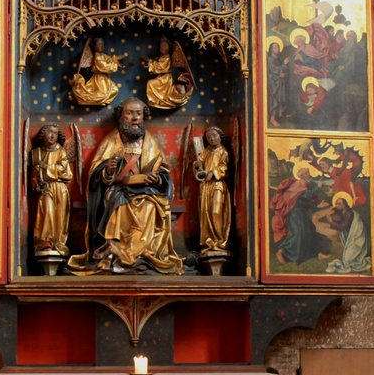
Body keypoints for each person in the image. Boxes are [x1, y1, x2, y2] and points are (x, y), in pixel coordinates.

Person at [67, 97, 183, 274]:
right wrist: (108, 171)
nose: (135, 118)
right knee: (120, 205)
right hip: (117, 189)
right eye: (130, 114)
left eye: (139, 114)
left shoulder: (151, 142)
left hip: (146, 191)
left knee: (150, 206)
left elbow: (163, 171)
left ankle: (142, 254)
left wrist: (157, 179)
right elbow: (96, 173)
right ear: (121, 117)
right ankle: (117, 253)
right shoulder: (111, 140)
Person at [269, 163, 331, 265]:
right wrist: (318, 187)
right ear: (301, 176)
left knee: (310, 231)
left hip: (300, 214)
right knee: (297, 235)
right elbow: (307, 195)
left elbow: (304, 201)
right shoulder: (297, 185)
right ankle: (281, 252)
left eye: (308, 172)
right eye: (306, 173)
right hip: (294, 215)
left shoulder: (304, 185)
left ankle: (317, 254)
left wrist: (318, 205)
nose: (309, 174)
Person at [31, 124, 75, 256]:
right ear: (42, 135)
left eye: (55, 133)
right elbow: (34, 170)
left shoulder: (61, 151)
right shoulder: (36, 152)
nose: (52, 136)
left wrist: (46, 167)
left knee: (60, 217)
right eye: (49, 132)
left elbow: (65, 172)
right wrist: (35, 179)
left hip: (60, 188)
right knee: (48, 211)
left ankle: (59, 242)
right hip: (46, 187)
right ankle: (46, 241)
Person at [194, 127, 231, 256]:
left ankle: (220, 242)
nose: (211, 139)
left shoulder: (223, 151)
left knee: (216, 212)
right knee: (206, 213)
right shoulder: (206, 151)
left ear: (220, 137)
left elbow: (224, 167)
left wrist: (213, 173)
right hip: (205, 187)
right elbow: (198, 164)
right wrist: (197, 166)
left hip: (217, 185)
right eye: (209, 137)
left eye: (214, 136)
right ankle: (209, 242)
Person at [325, 192, 373, 274]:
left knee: (347, 260)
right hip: (353, 238)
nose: (337, 205)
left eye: (339, 204)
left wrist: (331, 221)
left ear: (345, 205)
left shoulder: (349, 213)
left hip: (358, 239)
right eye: (336, 203)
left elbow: (343, 226)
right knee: (347, 259)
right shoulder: (344, 211)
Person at [71, 38, 126, 106]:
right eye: (99, 45)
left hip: (104, 78)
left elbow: (108, 59)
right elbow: (102, 66)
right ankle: (90, 100)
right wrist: (115, 66)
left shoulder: (102, 55)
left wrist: (116, 59)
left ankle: (101, 101)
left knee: (114, 90)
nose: (101, 46)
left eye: (102, 45)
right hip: (99, 78)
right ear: (94, 47)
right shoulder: (97, 57)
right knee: (101, 94)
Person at [142, 37, 193, 109]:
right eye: (161, 46)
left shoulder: (167, 57)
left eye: (165, 46)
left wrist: (150, 65)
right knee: (150, 83)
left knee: (150, 83)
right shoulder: (163, 57)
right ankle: (155, 101)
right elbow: (158, 65)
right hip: (161, 77)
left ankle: (158, 101)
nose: (162, 48)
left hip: (166, 79)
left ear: (169, 48)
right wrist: (150, 61)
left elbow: (161, 68)